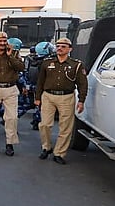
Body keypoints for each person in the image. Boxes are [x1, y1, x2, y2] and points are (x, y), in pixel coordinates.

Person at [35, 37, 88, 165]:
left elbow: (82, 84)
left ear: (70, 49)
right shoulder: (47, 62)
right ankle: (46, 147)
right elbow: (40, 81)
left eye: (63, 46)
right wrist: (37, 97)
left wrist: (81, 100)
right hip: (48, 96)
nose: (59, 48)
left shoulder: (76, 65)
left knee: (65, 127)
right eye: (58, 46)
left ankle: (59, 153)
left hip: (66, 97)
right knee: (45, 124)